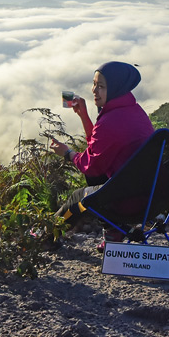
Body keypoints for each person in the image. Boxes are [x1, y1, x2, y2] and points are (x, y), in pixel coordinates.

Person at [50, 61, 154, 250]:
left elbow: (90, 164)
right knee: (94, 177)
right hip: (148, 195)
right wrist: (84, 116)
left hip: (127, 201)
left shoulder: (112, 120)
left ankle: (46, 234)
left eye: (101, 86)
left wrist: (67, 154)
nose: (94, 90)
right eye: (94, 84)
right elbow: (98, 149)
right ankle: (114, 231)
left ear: (115, 88)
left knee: (78, 199)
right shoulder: (133, 111)